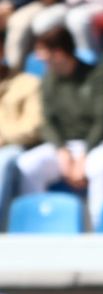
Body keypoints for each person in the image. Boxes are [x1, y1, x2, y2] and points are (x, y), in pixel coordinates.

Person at [15, 26, 103, 226]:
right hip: (66, 147)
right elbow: (47, 121)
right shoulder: (48, 80)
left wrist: (84, 155)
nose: (40, 60)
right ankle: (35, 225)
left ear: (59, 53)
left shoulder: (98, 76)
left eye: (44, 55)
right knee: (27, 164)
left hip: (101, 145)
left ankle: (102, 228)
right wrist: (62, 151)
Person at [0, 56, 42, 217]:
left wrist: (4, 138)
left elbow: (33, 128)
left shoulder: (29, 83)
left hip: (16, 146)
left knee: (2, 161)